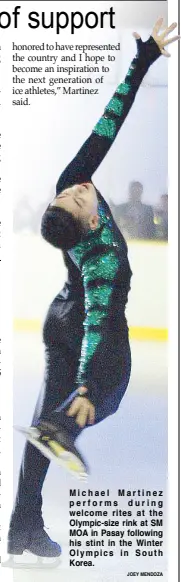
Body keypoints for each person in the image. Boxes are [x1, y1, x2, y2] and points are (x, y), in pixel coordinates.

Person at [6, 20, 179, 567]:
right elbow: (99, 325)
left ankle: (21, 530)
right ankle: (65, 424)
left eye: (74, 192)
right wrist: (88, 384)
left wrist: (142, 61)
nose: (83, 189)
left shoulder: (70, 186)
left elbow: (107, 127)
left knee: (44, 428)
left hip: (59, 315)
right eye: (80, 201)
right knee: (109, 386)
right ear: (84, 226)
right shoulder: (100, 258)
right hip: (83, 323)